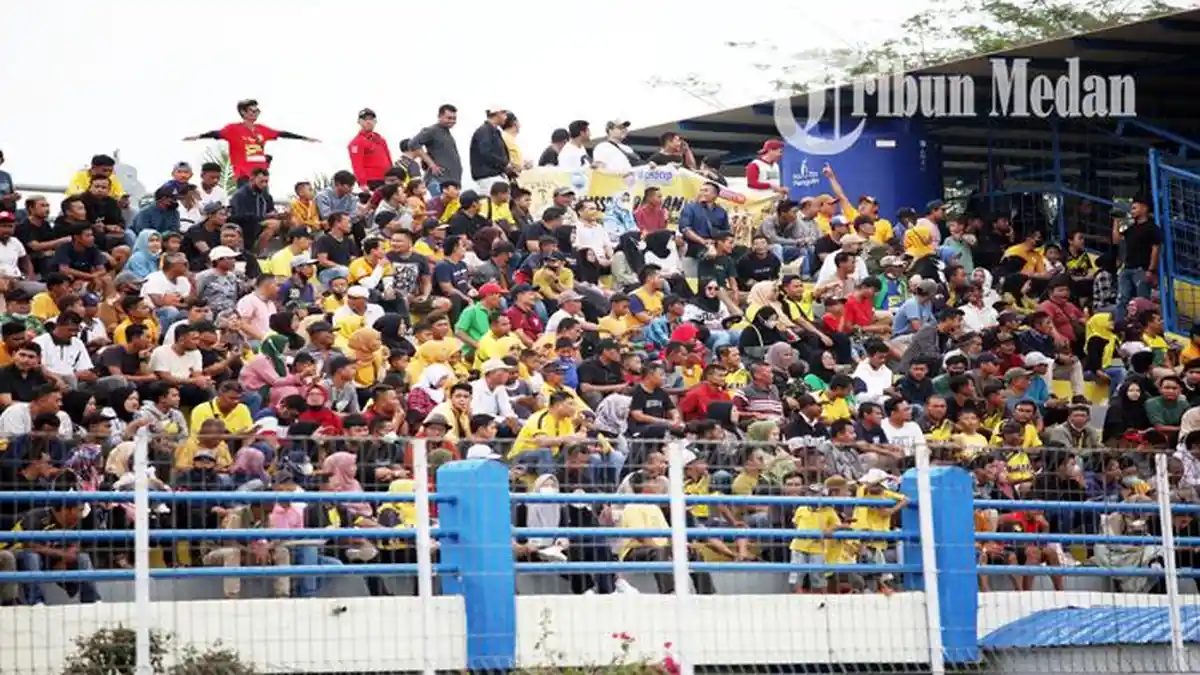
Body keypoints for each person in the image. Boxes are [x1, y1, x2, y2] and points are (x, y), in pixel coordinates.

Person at [182, 98, 319, 183]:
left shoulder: (262, 129)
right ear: (243, 112)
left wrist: (304, 138)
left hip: (262, 174)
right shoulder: (234, 129)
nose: (255, 114)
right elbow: (216, 133)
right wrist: (198, 136)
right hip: (245, 174)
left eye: (256, 111)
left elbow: (281, 133)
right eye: (251, 111)